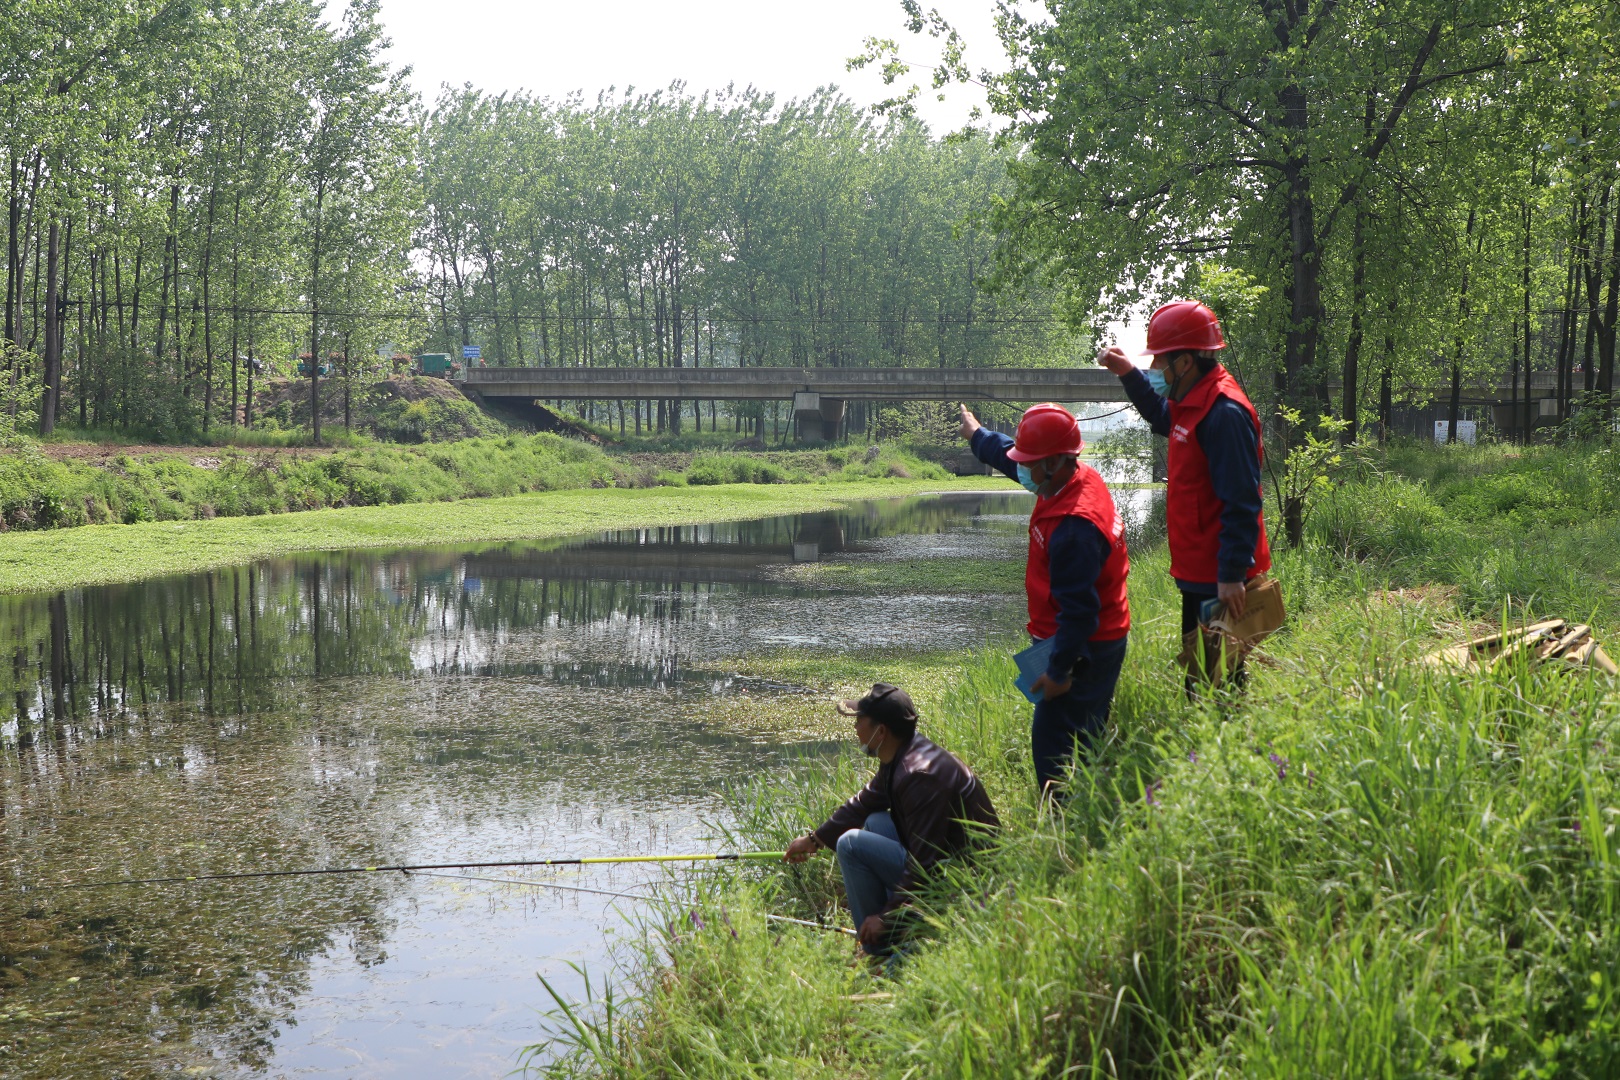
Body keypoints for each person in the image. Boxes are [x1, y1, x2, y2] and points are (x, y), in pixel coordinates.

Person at [958, 402, 1131, 795]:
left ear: (1053, 462)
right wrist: (978, 436)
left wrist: (1058, 673)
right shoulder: (1070, 479)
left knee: (1055, 745)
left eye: (1030, 462)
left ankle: (1064, 829)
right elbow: (1009, 458)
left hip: (1087, 646)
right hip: (1088, 636)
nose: (1022, 469)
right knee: (1084, 736)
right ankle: (1087, 812)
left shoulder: (1074, 527)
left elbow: (1080, 613)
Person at [1096, 300, 1271, 670]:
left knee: (1219, 677)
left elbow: (1241, 502)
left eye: (1160, 360)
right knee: (1202, 672)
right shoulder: (1191, 398)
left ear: (1186, 362)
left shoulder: (1223, 413)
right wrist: (1129, 373)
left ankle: (1227, 728)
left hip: (1218, 576)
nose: (1154, 368)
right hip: (1198, 570)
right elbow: (1162, 416)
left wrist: (1231, 575)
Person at [782, 683, 998, 954]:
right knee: (874, 821)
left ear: (880, 731)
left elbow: (924, 863)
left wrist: (886, 918)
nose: (855, 728)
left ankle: (877, 945)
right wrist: (815, 839)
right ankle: (899, 925)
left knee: (850, 844)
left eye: (859, 721)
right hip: (948, 859)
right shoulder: (903, 754)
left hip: (967, 882)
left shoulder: (918, 777)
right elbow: (863, 803)